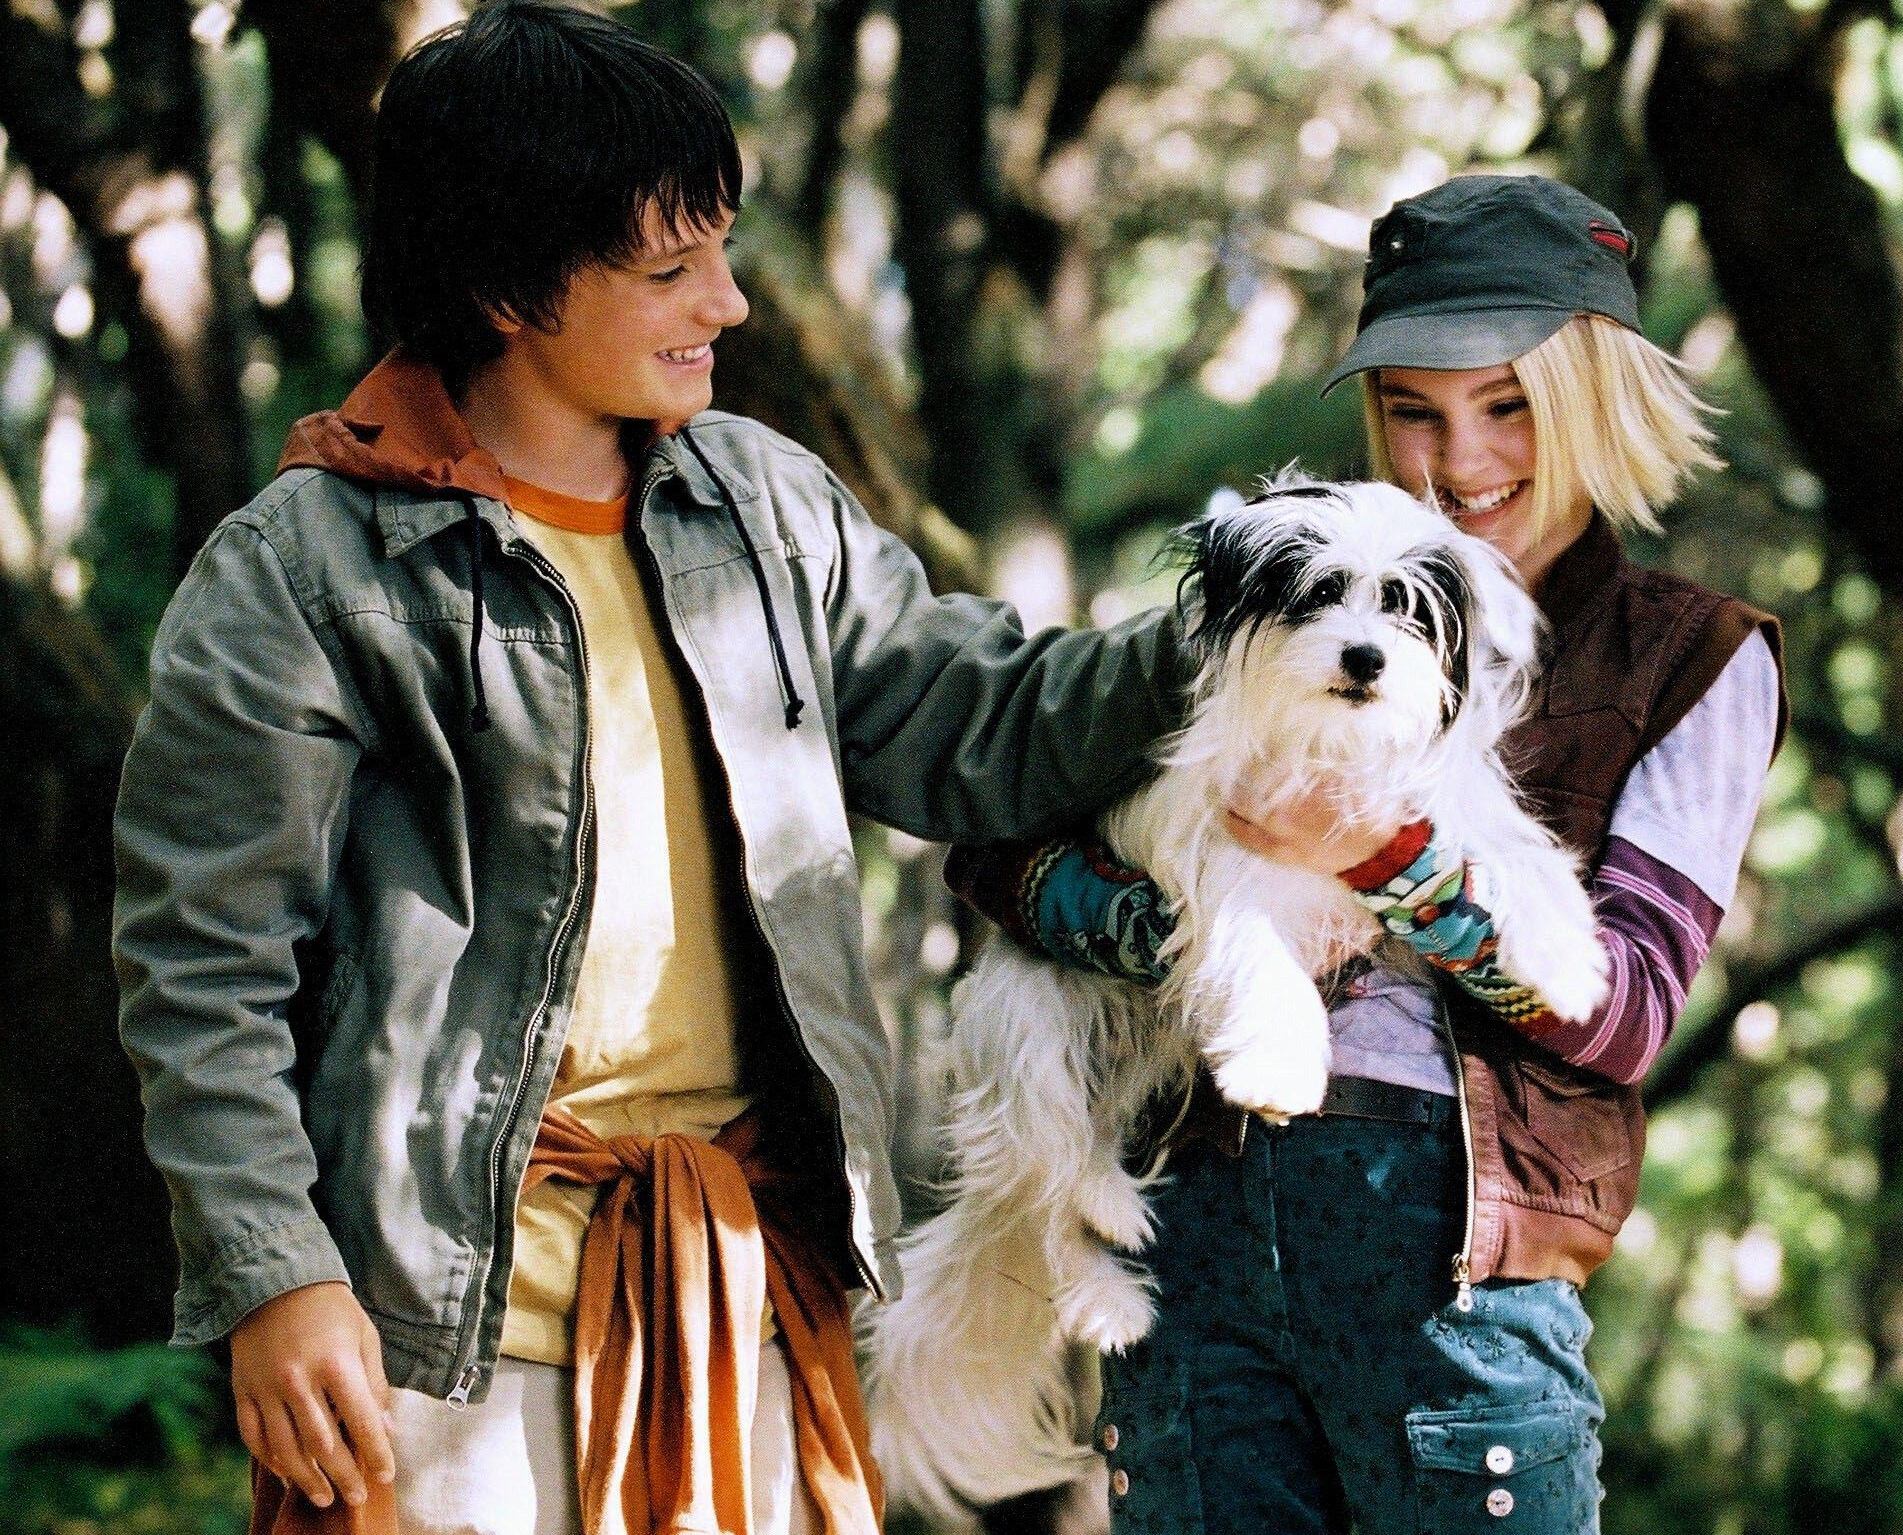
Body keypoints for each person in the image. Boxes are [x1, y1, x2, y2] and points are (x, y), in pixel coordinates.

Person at [107, 6, 1189, 1532]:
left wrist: (1244, 620)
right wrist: (275, 1276)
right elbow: (204, 969)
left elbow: (984, 722)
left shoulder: (764, 508)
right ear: (504, 288)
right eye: (672, 270)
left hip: (752, 1291)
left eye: (723, 254)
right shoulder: (303, 570)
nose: (731, 306)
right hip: (445, 1338)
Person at [946, 173, 1787, 1534]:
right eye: (1414, 411)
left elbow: (1623, 1015)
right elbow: (997, 858)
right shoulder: (1278, 595)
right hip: (1193, 1226)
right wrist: (1182, 937)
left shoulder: (1692, 658)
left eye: (1510, 405)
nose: (1460, 465)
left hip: (1451, 1253)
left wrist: (1382, 851)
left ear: (1596, 398)